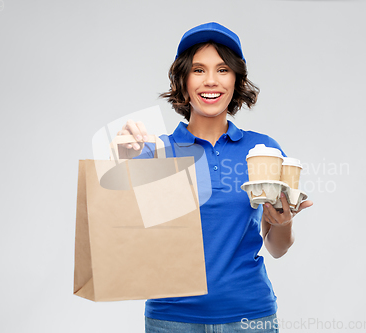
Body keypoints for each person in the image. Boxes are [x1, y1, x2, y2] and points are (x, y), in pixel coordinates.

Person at [117, 22, 313, 333]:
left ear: (236, 79)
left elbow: (277, 248)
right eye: (198, 70)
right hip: (172, 320)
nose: (211, 81)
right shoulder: (158, 151)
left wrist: (283, 222)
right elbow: (128, 239)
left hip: (250, 318)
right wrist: (126, 162)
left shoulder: (263, 151)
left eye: (222, 70)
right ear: (182, 80)